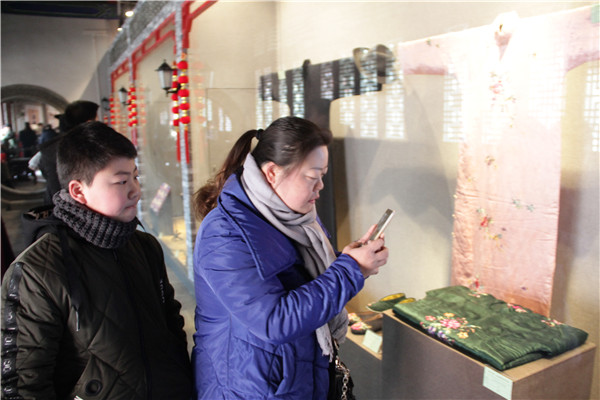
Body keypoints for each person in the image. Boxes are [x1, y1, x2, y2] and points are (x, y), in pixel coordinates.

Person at [192, 116, 389, 399]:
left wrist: (351, 261)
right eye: (312, 176)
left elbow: (303, 279)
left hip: (296, 378)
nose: (320, 186)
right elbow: (274, 321)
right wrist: (351, 270)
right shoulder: (223, 233)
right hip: (249, 389)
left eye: (323, 175)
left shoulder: (294, 217)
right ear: (272, 172)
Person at [1, 121, 193, 398]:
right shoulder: (37, 270)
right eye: (121, 181)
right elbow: (24, 381)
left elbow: (172, 327)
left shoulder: (145, 246)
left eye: (136, 177)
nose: (135, 190)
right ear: (78, 191)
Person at [39, 100, 98, 204]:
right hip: (75, 204)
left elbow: (45, 172)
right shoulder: (86, 146)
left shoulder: (51, 146)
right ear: (89, 122)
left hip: (55, 202)